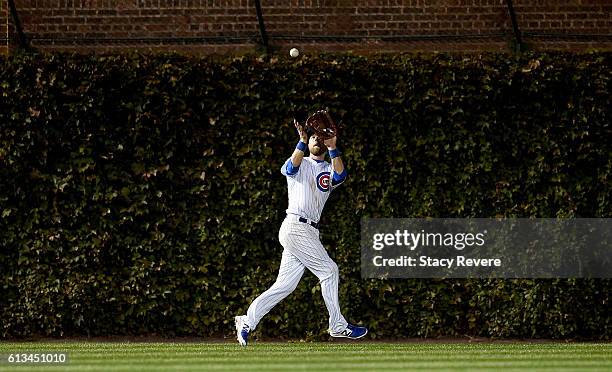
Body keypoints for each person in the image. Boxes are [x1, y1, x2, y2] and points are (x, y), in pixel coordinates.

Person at [234, 118, 368, 346]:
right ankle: (337, 325)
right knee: (329, 270)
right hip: (296, 226)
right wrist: (301, 142)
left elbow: (341, 176)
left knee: (284, 286)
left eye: (320, 137)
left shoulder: (328, 168)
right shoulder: (301, 162)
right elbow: (288, 168)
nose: (316, 139)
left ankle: (247, 320)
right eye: (313, 136)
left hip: (308, 231)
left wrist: (334, 145)